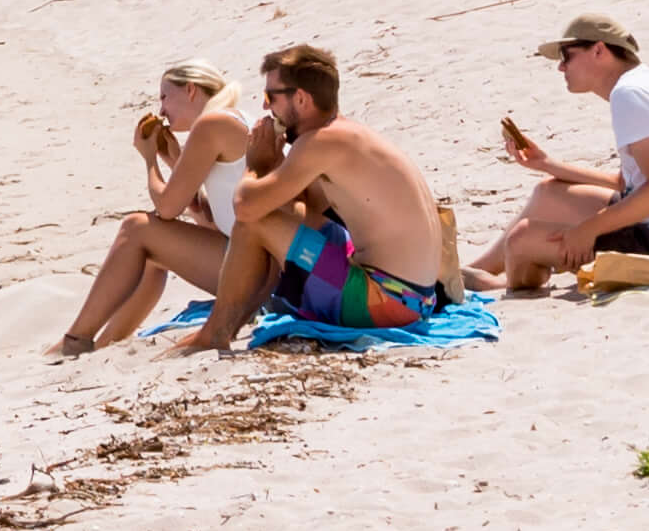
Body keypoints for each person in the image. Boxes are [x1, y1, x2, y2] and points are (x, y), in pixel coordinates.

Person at [188, 42, 464, 345]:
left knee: (255, 220)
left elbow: (245, 208)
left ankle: (215, 332)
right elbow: (306, 208)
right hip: (417, 297)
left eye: (271, 97)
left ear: (302, 99)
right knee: (279, 214)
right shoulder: (344, 134)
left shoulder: (320, 143)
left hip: (388, 302)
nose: (266, 107)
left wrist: (254, 165)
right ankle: (242, 314)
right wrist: (276, 166)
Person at [473, 17, 649, 293]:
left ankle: (503, 283)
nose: (561, 66)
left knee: (521, 240)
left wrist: (588, 230)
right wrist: (546, 164)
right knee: (547, 193)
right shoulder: (641, 85)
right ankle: (477, 271)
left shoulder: (630, 95)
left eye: (567, 56)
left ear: (599, 50)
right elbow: (626, 184)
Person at [57, 64, 268, 353]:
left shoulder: (213, 124)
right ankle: (103, 345)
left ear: (191, 90)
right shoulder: (233, 119)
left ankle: (75, 341)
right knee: (153, 256)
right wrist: (174, 160)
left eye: (165, 97)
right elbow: (211, 223)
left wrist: (149, 161)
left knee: (136, 228)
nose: (162, 109)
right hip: (262, 265)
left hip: (260, 274)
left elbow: (168, 208)